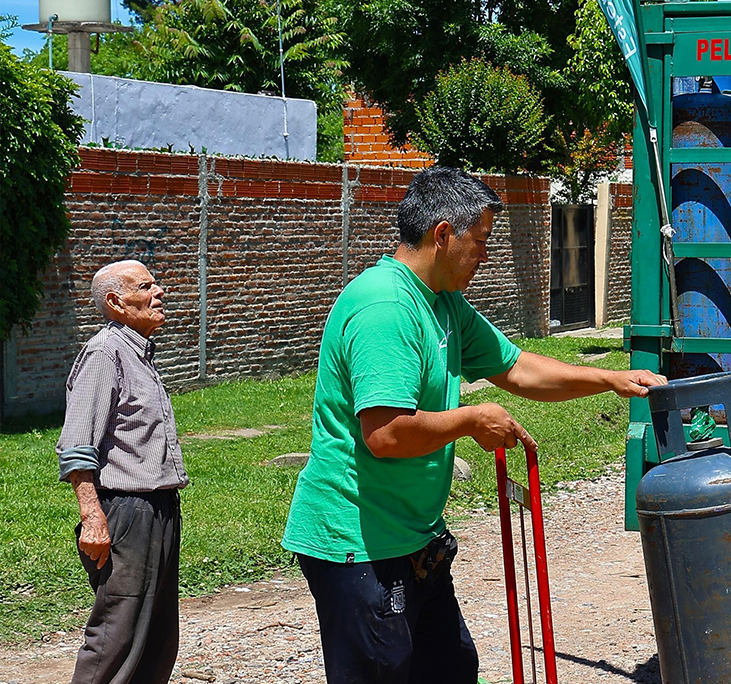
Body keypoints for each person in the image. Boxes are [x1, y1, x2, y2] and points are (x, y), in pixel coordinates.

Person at [282, 166, 665, 683]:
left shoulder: (443, 302)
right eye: (480, 241)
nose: (485, 256)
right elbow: (385, 434)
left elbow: (516, 367)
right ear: (443, 234)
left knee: (452, 669)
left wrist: (611, 379)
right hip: (360, 545)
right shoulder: (386, 309)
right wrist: (470, 419)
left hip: (412, 538)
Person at [56, 259, 187, 684]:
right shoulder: (104, 354)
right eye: (145, 286)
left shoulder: (139, 354)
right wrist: (93, 518)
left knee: (158, 639)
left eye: (155, 284)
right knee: (116, 635)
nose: (159, 292)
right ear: (116, 302)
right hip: (127, 513)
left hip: (160, 508)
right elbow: (77, 446)